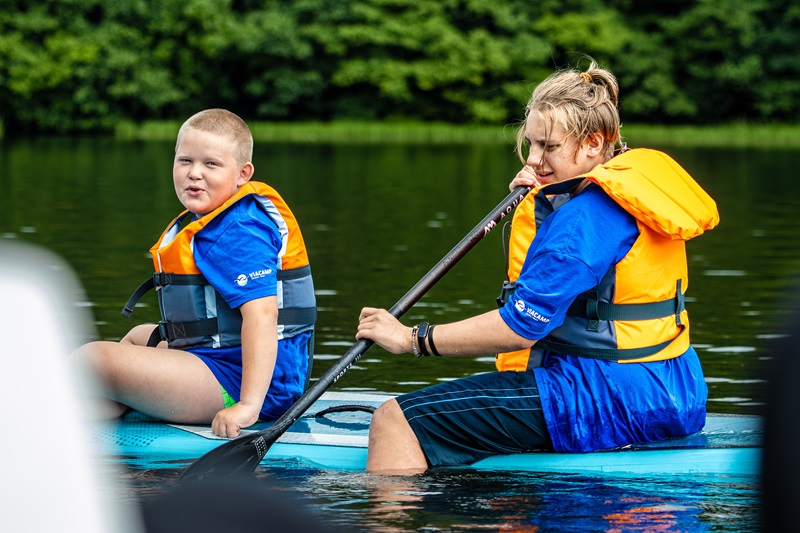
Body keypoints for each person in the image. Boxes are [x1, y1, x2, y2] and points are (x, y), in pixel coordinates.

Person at [356, 61, 719, 473]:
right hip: (677, 393)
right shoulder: (635, 191)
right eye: (531, 145)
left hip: (603, 398)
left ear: (594, 144)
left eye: (549, 147)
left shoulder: (581, 221)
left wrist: (410, 339)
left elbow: (519, 328)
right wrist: (546, 201)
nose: (534, 160)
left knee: (394, 419)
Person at [73, 108, 316, 438]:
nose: (194, 173)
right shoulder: (219, 219)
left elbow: (262, 317)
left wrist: (247, 406)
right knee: (137, 339)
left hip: (247, 383)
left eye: (211, 164)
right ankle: (102, 409)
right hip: (222, 362)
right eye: (185, 161)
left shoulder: (238, 231)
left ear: (243, 173)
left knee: (94, 359)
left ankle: (52, 411)